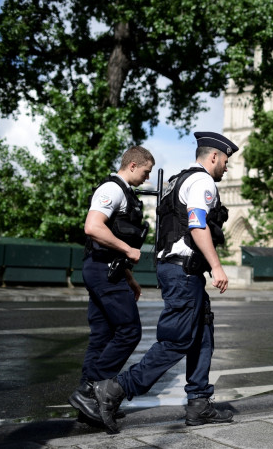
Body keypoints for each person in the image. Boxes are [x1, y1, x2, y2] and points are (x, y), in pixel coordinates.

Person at [93, 132, 238, 433]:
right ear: (214, 157)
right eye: (226, 161)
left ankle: (199, 403)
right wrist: (217, 266)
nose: (227, 167)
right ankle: (115, 389)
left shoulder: (178, 180)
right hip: (183, 272)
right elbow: (198, 224)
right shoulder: (202, 182)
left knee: (202, 334)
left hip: (177, 269)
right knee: (176, 340)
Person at [69, 146, 154, 425]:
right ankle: (90, 389)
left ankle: (87, 406)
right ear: (132, 165)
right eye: (145, 172)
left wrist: (129, 277)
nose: (147, 178)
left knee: (102, 337)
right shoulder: (113, 189)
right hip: (102, 270)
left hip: (107, 270)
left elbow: (110, 236)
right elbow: (93, 227)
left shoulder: (125, 192)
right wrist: (128, 251)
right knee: (129, 331)